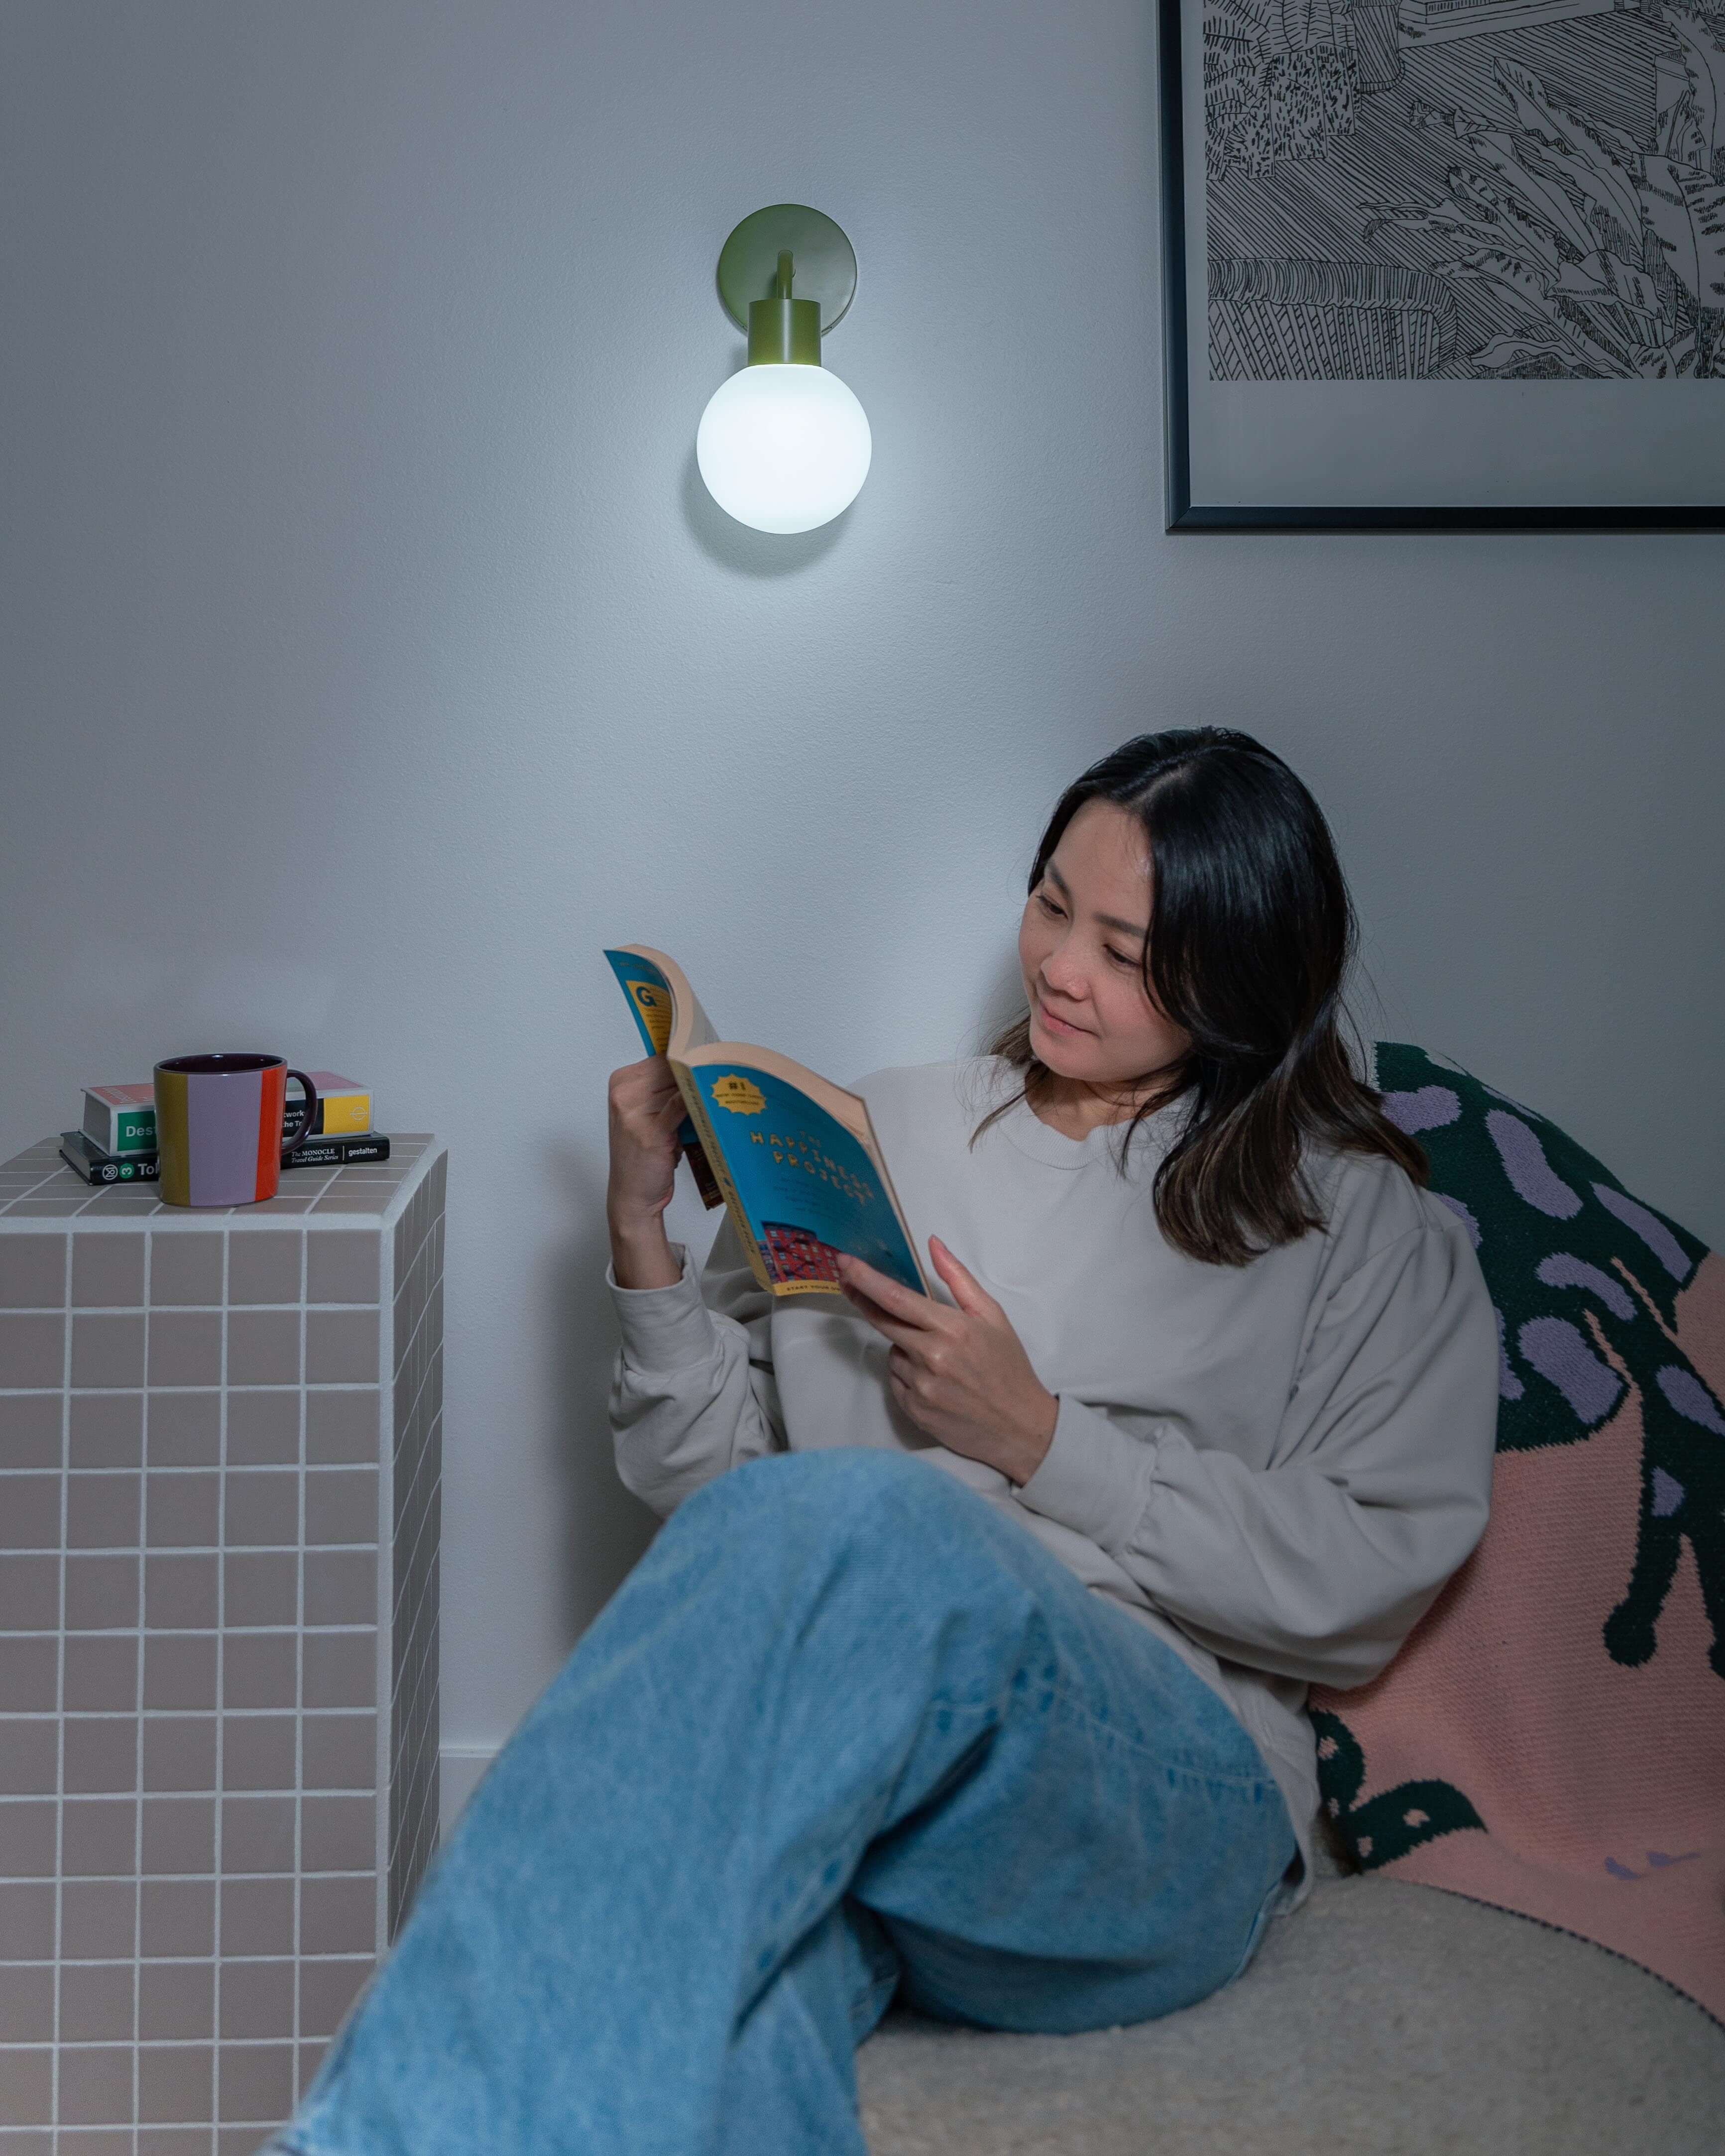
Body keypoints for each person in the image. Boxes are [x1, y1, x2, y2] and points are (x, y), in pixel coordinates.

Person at [270, 728, 1498, 2156]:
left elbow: (1360, 1585)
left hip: (1160, 1800)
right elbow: (724, 1501)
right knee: (710, 1994)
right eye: (1050, 904)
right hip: (874, 1779)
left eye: (1125, 948)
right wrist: (642, 1235)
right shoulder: (884, 1128)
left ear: (1242, 974)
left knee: (877, 1520)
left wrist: (1042, 1440)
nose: (1060, 967)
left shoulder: (1357, 1224)